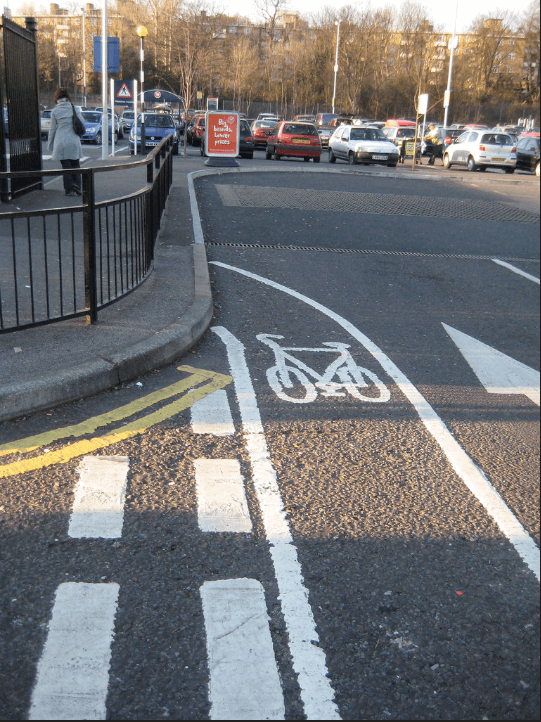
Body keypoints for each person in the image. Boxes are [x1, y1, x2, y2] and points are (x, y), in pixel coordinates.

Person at [47, 88, 85, 196]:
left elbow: (52, 130)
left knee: (66, 167)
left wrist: (50, 145)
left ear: (57, 98)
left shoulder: (55, 111)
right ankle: (77, 185)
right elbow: (82, 121)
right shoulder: (74, 108)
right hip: (74, 141)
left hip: (61, 142)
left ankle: (69, 190)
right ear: (67, 97)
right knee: (76, 164)